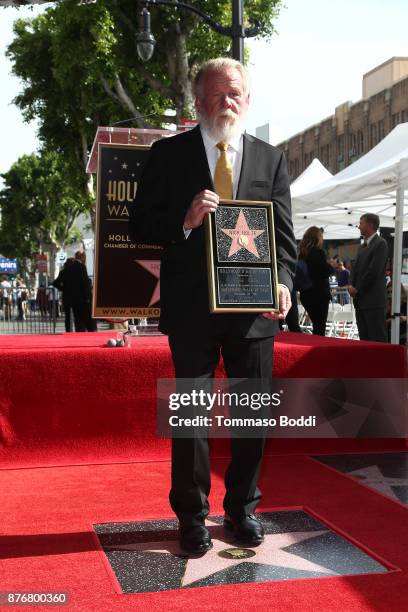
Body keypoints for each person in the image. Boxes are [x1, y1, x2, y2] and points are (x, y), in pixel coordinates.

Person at [131, 58, 296, 554]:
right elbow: (139, 224)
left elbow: (284, 241)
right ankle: (192, 517)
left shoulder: (272, 160)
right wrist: (184, 220)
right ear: (199, 102)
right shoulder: (168, 154)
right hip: (191, 310)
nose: (230, 102)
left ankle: (243, 509)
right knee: (191, 419)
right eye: (220, 94)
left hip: (254, 313)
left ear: (248, 100)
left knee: (252, 416)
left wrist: (284, 284)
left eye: (238, 94)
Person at [348, 213, 388, 342]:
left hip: (373, 301)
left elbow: (373, 271)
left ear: (370, 225)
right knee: (364, 340)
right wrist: (350, 285)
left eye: (361, 223)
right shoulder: (362, 246)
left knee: (377, 338)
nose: (359, 227)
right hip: (361, 301)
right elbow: (355, 269)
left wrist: (357, 289)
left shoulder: (380, 243)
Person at [297, 226, 336, 336]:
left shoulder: (303, 253)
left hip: (306, 294)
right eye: (321, 236)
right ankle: (318, 351)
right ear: (317, 238)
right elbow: (322, 271)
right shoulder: (317, 252)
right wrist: (331, 266)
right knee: (320, 327)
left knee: (316, 325)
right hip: (319, 295)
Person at [53, 252, 96, 332]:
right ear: (82, 257)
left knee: (68, 317)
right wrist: (88, 297)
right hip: (79, 298)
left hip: (67, 297)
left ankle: (68, 332)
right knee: (79, 318)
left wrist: (64, 289)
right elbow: (85, 283)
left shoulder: (66, 269)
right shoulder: (81, 267)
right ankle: (79, 332)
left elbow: (55, 283)